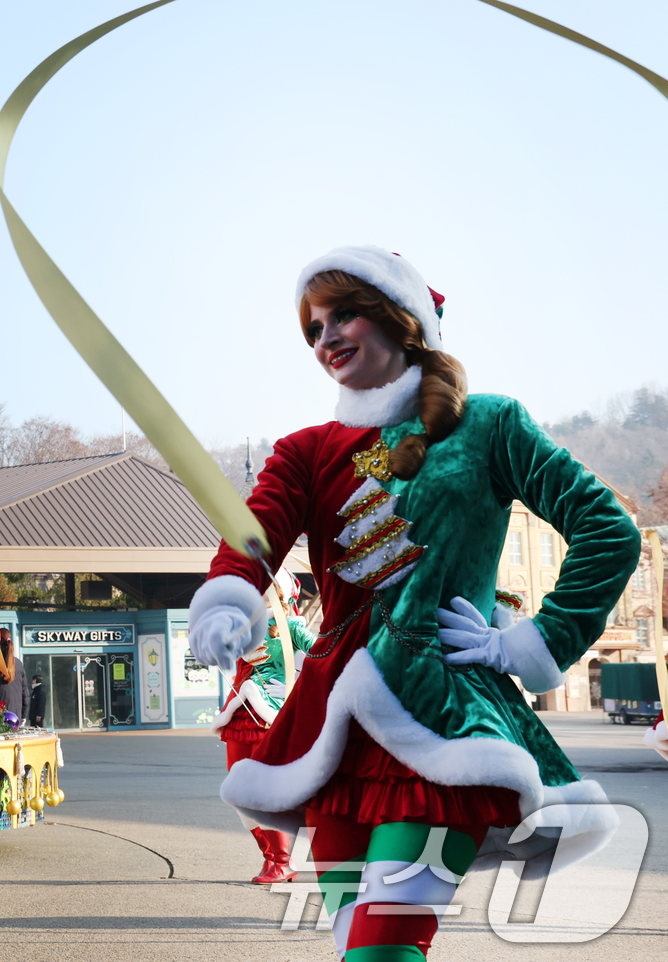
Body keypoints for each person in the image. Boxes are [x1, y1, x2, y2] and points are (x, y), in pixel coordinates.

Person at [187, 246, 640, 960]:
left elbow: (608, 530)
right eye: (313, 328)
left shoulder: (489, 426)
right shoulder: (306, 451)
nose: (326, 338)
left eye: (344, 316)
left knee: (383, 946)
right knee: (355, 945)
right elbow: (255, 536)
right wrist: (227, 599)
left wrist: (531, 640)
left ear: (400, 321)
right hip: (334, 740)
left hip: (444, 718)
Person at [211, 566, 315, 884]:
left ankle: (283, 861)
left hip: (274, 713)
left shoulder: (291, 625)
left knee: (265, 788)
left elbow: (322, 653)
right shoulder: (244, 628)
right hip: (242, 711)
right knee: (239, 789)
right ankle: (272, 858)